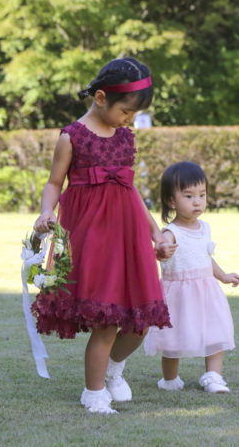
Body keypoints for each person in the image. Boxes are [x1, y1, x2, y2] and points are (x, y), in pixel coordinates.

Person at [32, 57, 177, 414]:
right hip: (93, 237)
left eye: (134, 114)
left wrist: (156, 234)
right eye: (126, 111)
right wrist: (46, 212)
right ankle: (93, 392)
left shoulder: (125, 138)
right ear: (100, 98)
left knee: (140, 320)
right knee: (108, 320)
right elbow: (54, 183)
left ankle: (113, 370)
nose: (130, 119)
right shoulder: (72, 137)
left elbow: (131, 191)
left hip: (128, 237)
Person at [144, 162, 239, 393]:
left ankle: (213, 376)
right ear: (171, 201)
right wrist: (162, 251)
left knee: (215, 331)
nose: (197, 201)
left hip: (207, 291)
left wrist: (223, 276)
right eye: (189, 196)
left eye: (202, 195)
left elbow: (206, 258)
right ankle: (170, 379)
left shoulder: (204, 227)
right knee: (172, 338)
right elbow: (161, 251)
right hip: (179, 295)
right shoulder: (171, 232)